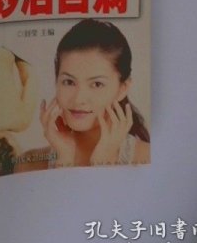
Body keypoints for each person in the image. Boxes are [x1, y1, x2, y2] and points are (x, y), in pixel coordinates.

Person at [15, 19, 150, 172]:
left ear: (122, 89)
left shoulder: (147, 159)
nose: (78, 99)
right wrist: (64, 160)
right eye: (69, 82)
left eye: (97, 84)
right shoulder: (28, 165)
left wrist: (103, 164)